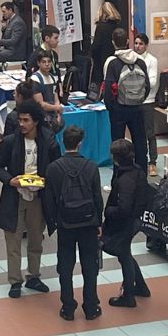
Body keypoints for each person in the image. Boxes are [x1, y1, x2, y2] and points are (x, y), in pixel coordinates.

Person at [0, 101, 59, 298]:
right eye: (20, 120)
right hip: (15, 196)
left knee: (36, 238)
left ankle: (34, 276)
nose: (21, 124)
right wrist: (9, 180)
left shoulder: (49, 141)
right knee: (12, 240)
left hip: (39, 197)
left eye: (26, 120)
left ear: (36, 122)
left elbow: (57, 166)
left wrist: (49, 181)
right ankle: (15, 280)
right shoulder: (10, 142)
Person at [43, 126, 104, 321]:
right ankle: (91, 306)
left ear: (63, 142)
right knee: (90, 266)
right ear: (80, 143)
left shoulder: (53, 168)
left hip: (65, 224)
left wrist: (52, 223)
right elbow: (97, 198)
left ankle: (68, 307)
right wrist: (98, 222)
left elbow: (49, 199)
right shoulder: (91, 166)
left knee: (66, 266)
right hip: (88, 224)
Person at [102, 139, 151, 307]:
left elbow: (124, 208)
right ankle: (141, 286)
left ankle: (129, 295)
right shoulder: (136, 171)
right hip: (134, 220)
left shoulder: (125, 179)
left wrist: (108, 211)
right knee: (126, 254)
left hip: (125, 222)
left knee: (124, 256)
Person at [103, 28, 150, 168]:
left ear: (113, 43)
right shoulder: (140, 61)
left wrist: (110, 106)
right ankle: (142, 174)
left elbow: (108, 89)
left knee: (118, 144)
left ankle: (119, 174)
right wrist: (139, 99)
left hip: (119, 108)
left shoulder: (113, 63)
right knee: (140, 142)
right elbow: (147, 86)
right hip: (137, 107)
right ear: (128, 41)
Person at [133, 33, 160, 177]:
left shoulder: (152, 60)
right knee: (137, 133)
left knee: (150, 133)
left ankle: (153, 162)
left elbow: (153, 81)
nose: (137, 46)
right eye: (136, 43)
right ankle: (139, 161)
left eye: (140, 44)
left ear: (146, 45)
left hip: (147, 101)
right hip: (133, 101)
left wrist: (136, 86)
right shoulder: (131, 58)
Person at [0, 0, 28, 70]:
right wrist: (4, 28)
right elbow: (5, 38)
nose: (3, 14)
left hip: (15, 52)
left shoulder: (17, 22)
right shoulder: (10, 21)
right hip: (8, 50)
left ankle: (0, 73)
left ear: (10, 10)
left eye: (4, 12)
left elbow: (13, 41)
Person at [29, 51, 64, 128]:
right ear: (38, 63)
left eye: (49, 62)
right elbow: (41, 104)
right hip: (41, 117)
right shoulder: (35, 79)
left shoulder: (52, 78)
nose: (47, 64)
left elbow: (56, 99)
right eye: (44, 62)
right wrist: (57, 108)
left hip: (52, 114)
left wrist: (57, 114)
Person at [90, 1, 122, 86]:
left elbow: (96, 46)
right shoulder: (117, 26)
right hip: (115, 58)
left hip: (101, 61)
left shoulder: (101, 27)